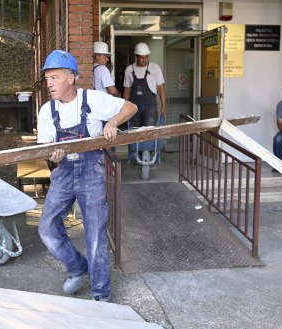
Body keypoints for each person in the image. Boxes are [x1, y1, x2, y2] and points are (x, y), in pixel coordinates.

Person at [37, 50, 137, 302]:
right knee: (47, 228)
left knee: (95, 232)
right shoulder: (46, 111)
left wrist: (113, 122)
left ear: (71, 78)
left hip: (91, 172)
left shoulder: (92, 99)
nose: (49, 83)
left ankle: (101, 293)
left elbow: (130, 106)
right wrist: (54, 156)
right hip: (64, 173)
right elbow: (46, 149)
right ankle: (77, 266)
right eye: (47, 78)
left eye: (55, 77)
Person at [123, 42, 166, 128]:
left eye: (146, 57)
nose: (144, 60)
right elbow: (127, 90)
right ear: (136, 57)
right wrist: (124, 107)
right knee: (135, 132)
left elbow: (161, 88)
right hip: (134, 107)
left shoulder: (155, 68)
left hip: (150, 108)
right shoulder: (129, 69)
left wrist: (164, 107)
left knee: (148, 133)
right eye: (142, 58)